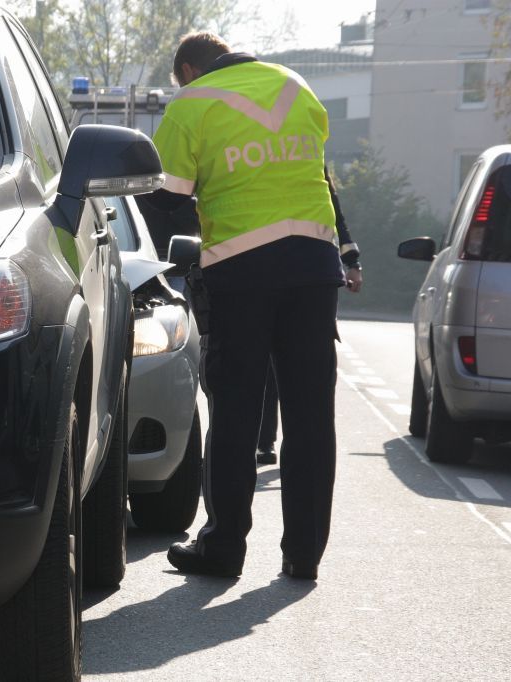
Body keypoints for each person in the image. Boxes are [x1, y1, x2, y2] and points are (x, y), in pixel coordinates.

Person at [140, 32, 358, 580]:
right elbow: (313, 175)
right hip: (313, 269)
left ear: (188, 70)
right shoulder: (296, 86)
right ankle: (304, 554)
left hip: (241, 272)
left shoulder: (192, 102)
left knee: (236, 411)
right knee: (311, 417)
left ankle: (223, 549)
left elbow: (165, 199)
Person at [257, 171, 363, 466]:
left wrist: (352, 261)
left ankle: (280, 447)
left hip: (308, 274)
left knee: (297, 371)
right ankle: (265, 441)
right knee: (268, 367)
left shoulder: (309, 161)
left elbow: (334, 211)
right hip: (267, 269)